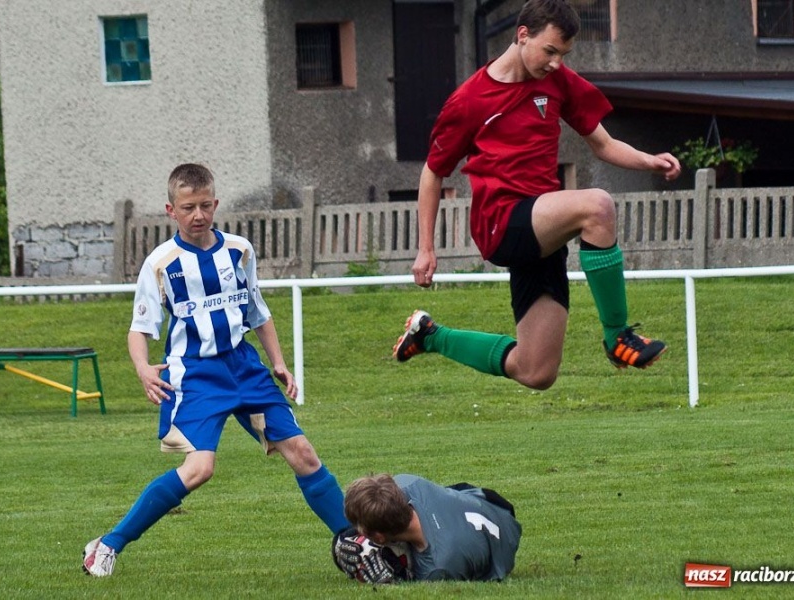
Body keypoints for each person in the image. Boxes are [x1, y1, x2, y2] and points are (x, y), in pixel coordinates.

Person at [393, 0, 681, 389]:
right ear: (522, 34)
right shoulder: (469, 100)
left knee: (535, 371)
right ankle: (617, 336)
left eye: (564, 54)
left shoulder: (556, 81)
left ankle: (429, 335)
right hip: (501, 223)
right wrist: (425, 248)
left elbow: (602, 143)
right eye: (550, 51)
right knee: (597, 206)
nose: (556, 63)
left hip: (542, 230)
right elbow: (432, 173)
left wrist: (650, 161)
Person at [82, 163, 349, 577]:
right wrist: (141, 369)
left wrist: (277, 362)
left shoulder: (239, 250)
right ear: (171, 210)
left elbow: (258, 312)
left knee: (304, 454)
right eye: (188, 207)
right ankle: (108, 544)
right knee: (200, 469)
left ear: (216, 203)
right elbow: (139, 329)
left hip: (244, 367)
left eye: (205, 205)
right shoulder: (161, 262)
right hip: (194, 375)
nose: (198, 215)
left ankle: (354, 542)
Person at [333, 473, 521, 582]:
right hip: (489, 503)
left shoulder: (438, 567)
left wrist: (394, 576)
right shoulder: (407, 482)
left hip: (504, 542)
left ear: (380, 538)